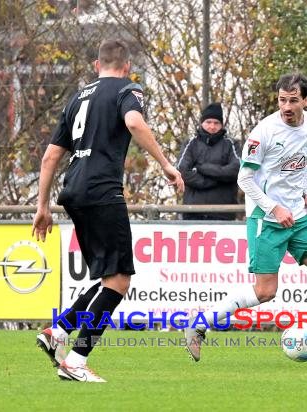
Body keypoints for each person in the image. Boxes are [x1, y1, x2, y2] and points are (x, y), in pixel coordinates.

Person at [185, 73, 307, 366]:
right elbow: (244, 179)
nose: (286, 106)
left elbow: (303, 161)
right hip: (266, 218)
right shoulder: (264, 132)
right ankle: (199, 323)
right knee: (265, 291)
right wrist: (274, 209)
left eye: (293, 100)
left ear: (306, 101)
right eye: (282, 100)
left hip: (298, 215)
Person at [32, 39, 184, 383]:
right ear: (127, 66)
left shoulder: (77, 98)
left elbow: (49, 157)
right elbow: (134, 122)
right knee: (119, 282)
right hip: (102, 190)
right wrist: (165, 164)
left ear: (96, 65)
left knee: (107, 277)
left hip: (73, 192)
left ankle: (59, 331)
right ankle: (76, 360)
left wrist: (42, 206)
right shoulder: (128, 89)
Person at [177, 102, 240, 220]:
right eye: (208, 122)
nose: (212, 126)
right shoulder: (190, 143)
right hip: (193, 213)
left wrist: (201, 168)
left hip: (224, 214)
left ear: (222, 124)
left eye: (216, 123)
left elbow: (236, 170)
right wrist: (218, 179)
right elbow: (183, 171)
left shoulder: (231, 144)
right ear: (202, 123)